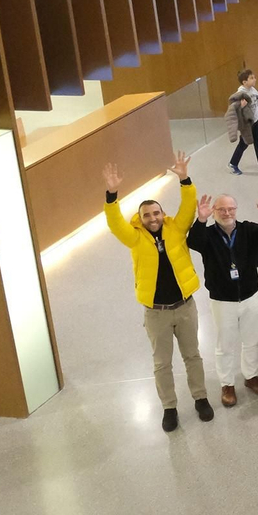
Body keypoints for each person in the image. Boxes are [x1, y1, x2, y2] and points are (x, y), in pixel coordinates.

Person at [103, 154, 213, 432]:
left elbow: (189, 206)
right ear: (140, 219)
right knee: (162, 364)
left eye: (156, 213)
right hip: (156, 313)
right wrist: (112, 194)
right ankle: (169, 407)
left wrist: (184, 178)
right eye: (147, 215)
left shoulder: (176, 228)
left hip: (185, 306)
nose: (153, 218)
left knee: (193, 356)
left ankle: (200, 398)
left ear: (163, 214)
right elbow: (115, 223)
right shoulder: (134, 237)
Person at [187, 192, 258, 407]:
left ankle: (251, 376)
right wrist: (201, 219)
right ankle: (227, 384)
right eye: (221, 209)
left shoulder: (247, 230)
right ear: (214, 211)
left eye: (230, 209)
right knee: (225, 344)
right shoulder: (207, 235)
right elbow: (193, 242)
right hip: (222, 300)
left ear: (236, 210)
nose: (227, 213)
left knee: (252, 339)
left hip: (250, 295)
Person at [225, 69, 258, 174]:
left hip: (255, 121)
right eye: (251, 78)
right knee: (243, 143)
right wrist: (241, 106)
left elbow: (257, 104)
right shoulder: (240, 94)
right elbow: (233, 108)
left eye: (254, 77)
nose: (255, 79)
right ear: (244, 82)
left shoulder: (253, 90)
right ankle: (232, 164)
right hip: (247, 124)